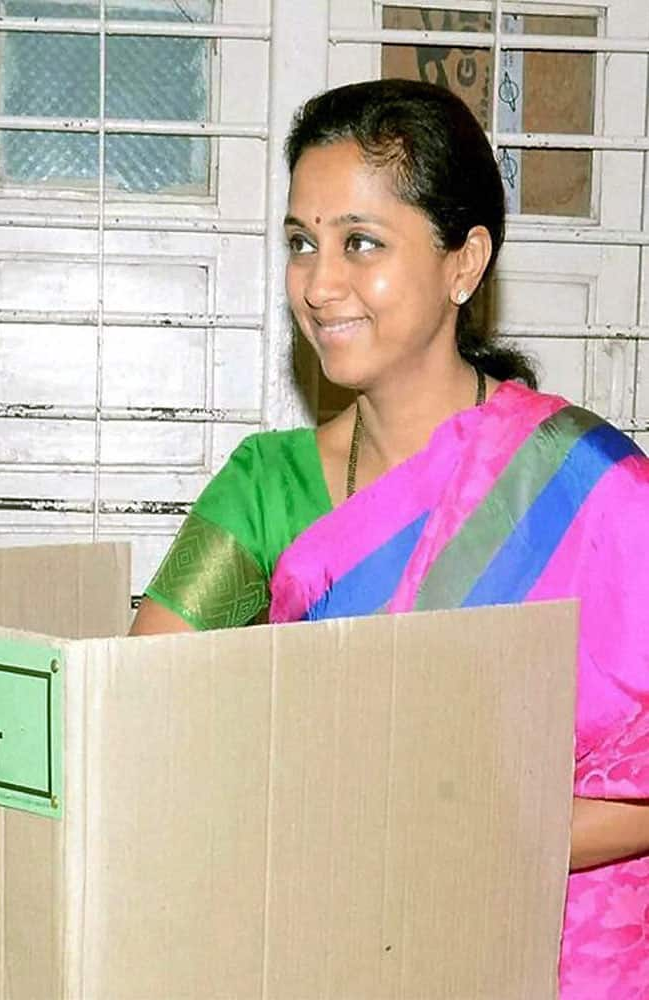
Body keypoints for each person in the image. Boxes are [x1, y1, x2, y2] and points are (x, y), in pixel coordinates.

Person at [131, 78, 649, 997]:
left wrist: (442, 836)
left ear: (464, 263)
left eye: (359, 243)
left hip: (556, 957)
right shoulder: (267, 487)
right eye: (301, 242)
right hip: (324, 949)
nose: (318, 284)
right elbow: (137, 723)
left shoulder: (590, 489)